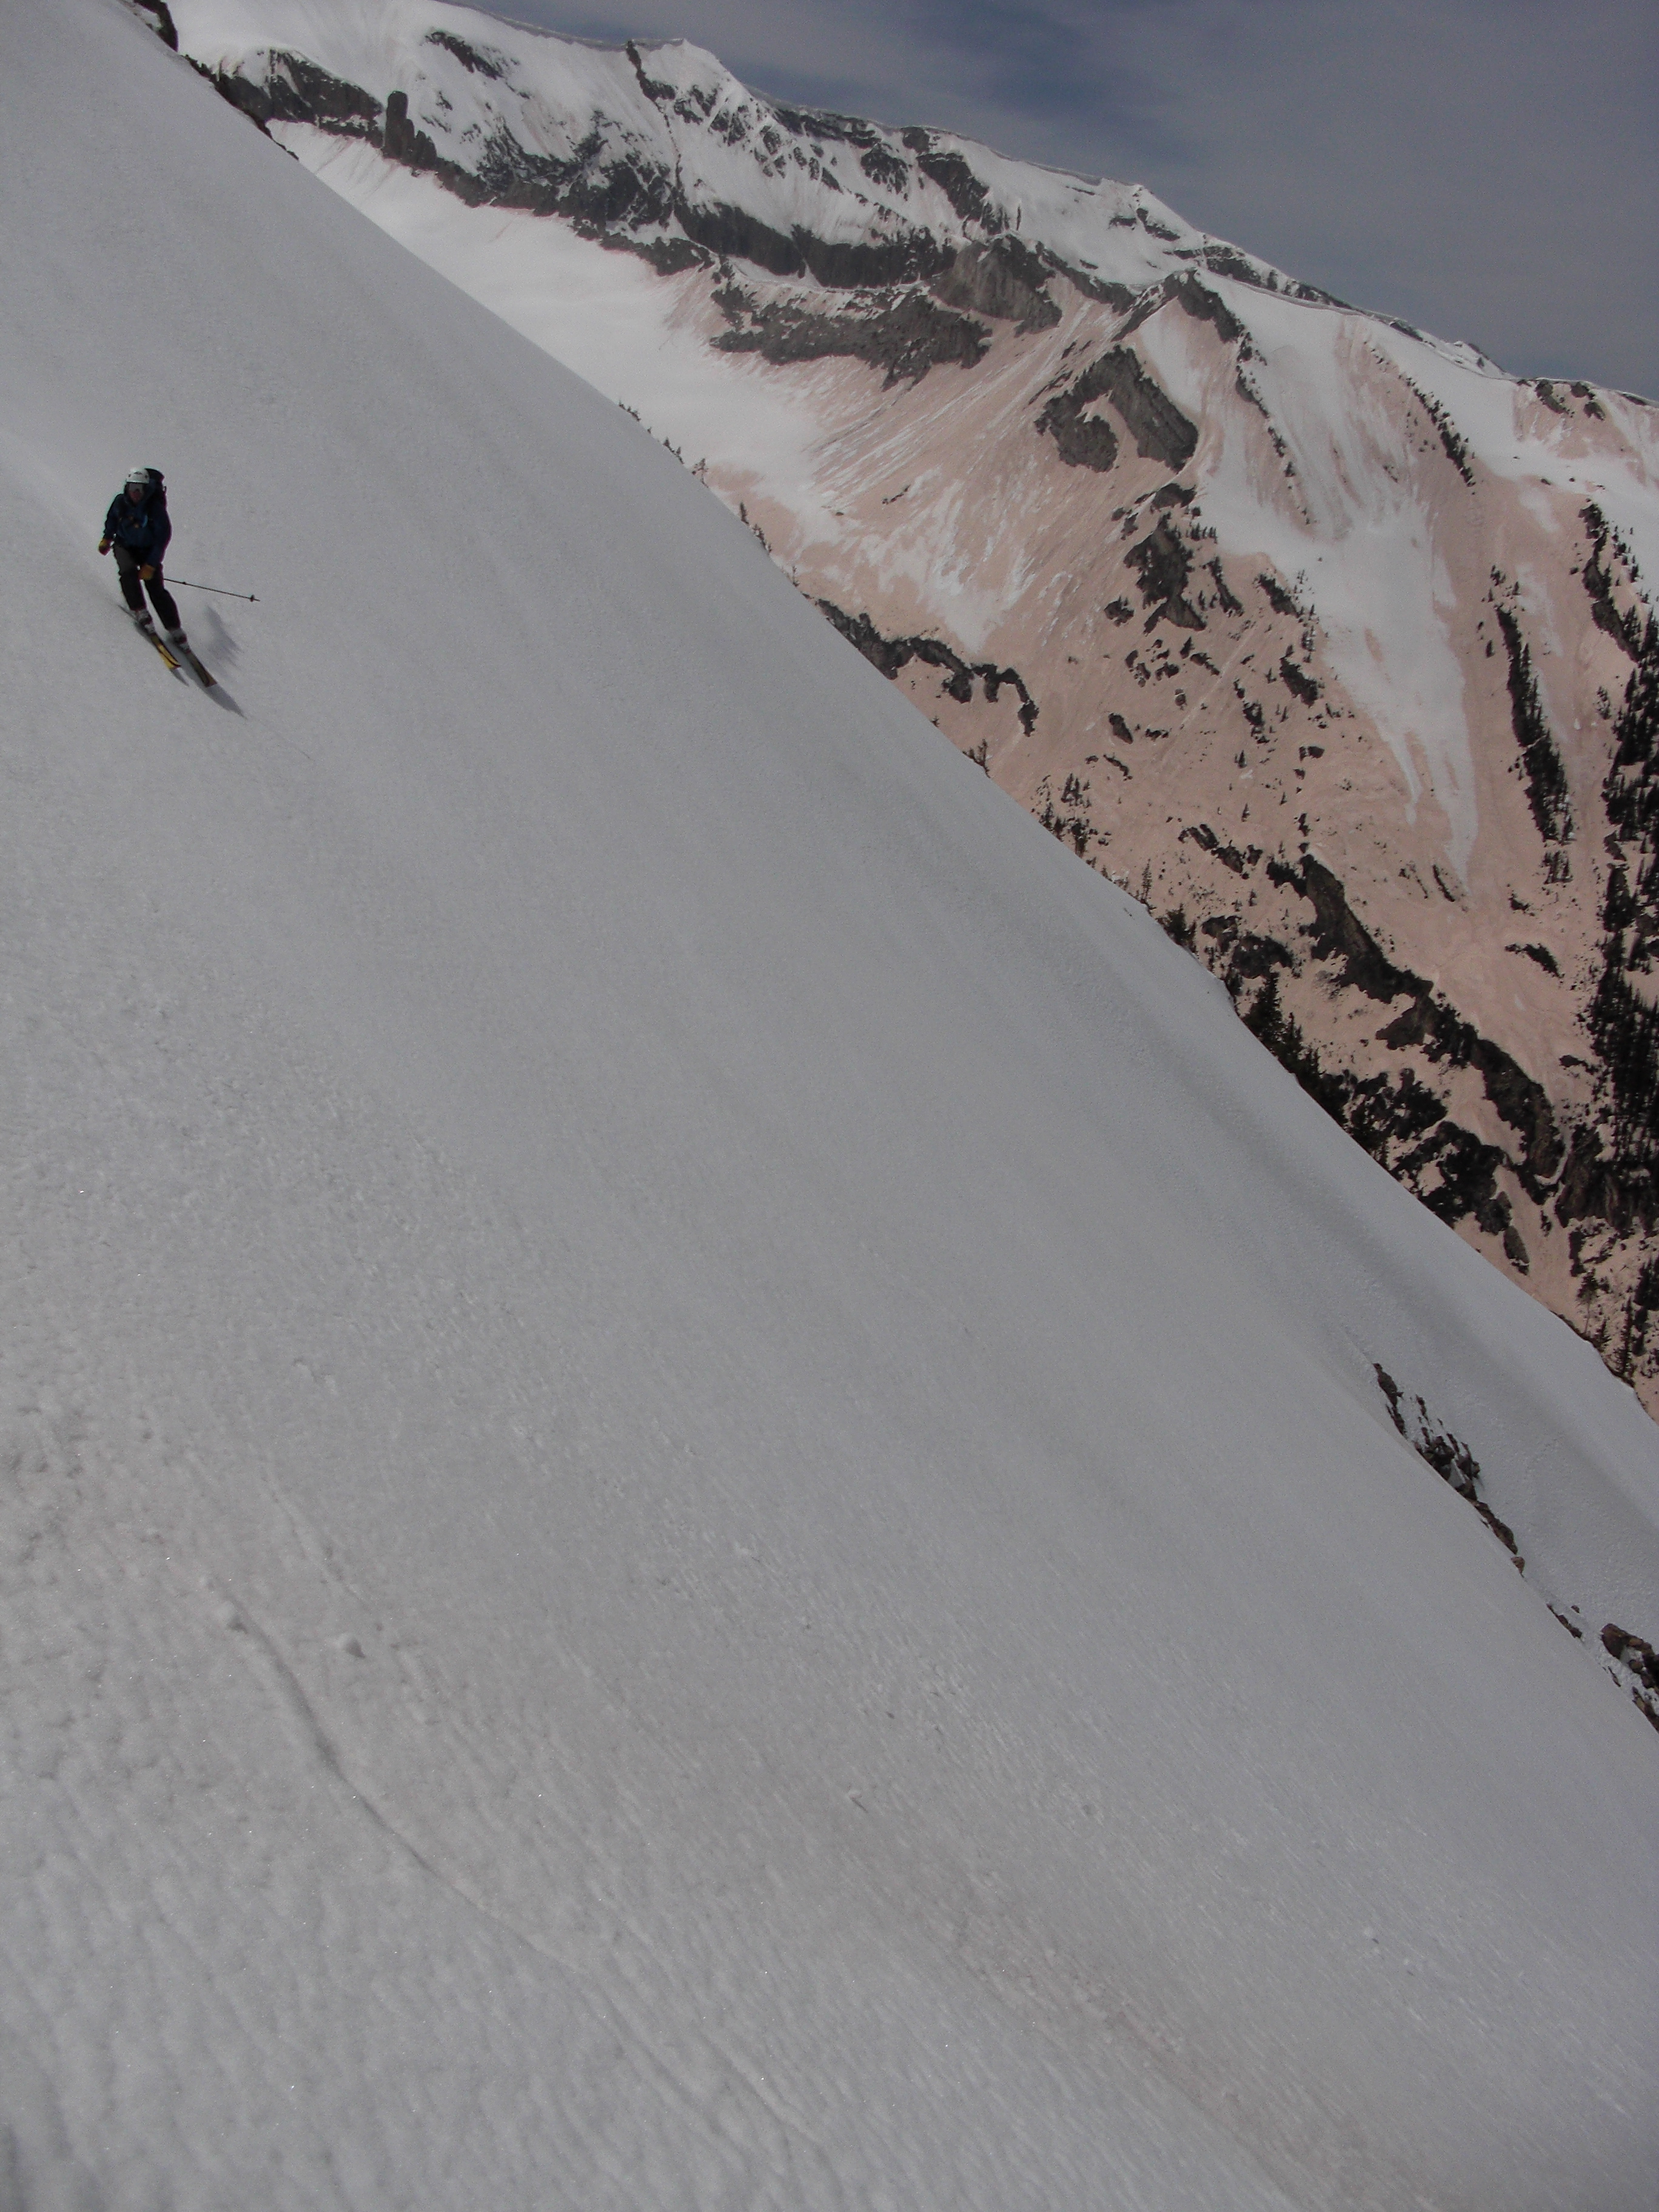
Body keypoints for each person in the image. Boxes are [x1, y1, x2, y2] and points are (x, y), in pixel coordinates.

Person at [98, 466, 187, 645]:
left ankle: (174, 628)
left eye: (139, 489)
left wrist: (151, 564)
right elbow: (112, 519)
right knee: (128, 571)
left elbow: (163, 537)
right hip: (125, 545)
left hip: (148, 552)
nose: (135, 493)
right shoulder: (120, 502)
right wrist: (107, 539)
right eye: (132, 488)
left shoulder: (155, 509)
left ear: (146, 489)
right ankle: (139, 610)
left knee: (156, 589)